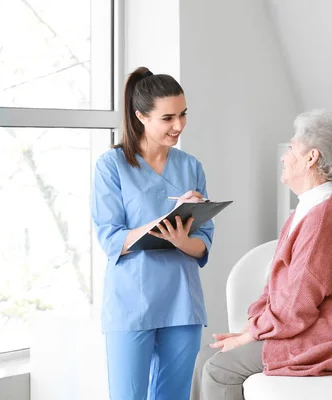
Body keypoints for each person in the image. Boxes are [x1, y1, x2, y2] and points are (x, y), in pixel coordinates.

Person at [190, 109, 332, 400]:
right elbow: (276, 288)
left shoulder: (326, 218)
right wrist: (250, 329)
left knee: (219, 369)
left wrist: (250, 335)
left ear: (311, 158)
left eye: (291, 148)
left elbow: (295, 304)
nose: (284, 157)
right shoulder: (309, 208)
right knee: (203, 358)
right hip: (307, 329)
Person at [91, 66, 214, 400]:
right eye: (168, 118)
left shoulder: (191, 167)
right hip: (131, 301)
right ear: (141, 116)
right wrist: (167, 220)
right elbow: (110, 237)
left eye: (183, 115)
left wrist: (181, 239)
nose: (178, 126)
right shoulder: (111, 166)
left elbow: (203, 243)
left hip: (182, 301)